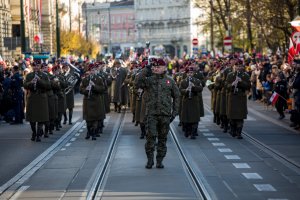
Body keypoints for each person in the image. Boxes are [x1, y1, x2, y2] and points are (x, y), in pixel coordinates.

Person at [138, 58, 180, 169]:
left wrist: (174, 112)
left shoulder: (170, 81)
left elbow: (177, 96)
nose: (156, 68)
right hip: (151, 114)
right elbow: (137, 82)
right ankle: (150, 160)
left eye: (158, 67)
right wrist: (145, 70)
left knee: (162, 139)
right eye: (154, 67)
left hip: (165, 114)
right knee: (150, 137)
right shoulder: (149, 80)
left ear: (164, 68)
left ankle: (159, 160)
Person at [23, 61, 51, 142]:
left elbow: (48, 86)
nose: (36, 67)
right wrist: (31, 83)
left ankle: (38, 134)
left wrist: (39, 80)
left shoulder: (44, 75)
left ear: (40, 66)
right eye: (34, 66)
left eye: (37, 66)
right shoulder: (29, 75)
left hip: (41, 98)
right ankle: (34, 133)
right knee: (32, 120)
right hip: (32, 98)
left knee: (41, 118)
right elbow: (25, 85)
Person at [225, 59, 251, 139]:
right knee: (232, 117)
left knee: (240, 117)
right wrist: (232, 84)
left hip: (241, 98)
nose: (239, 68)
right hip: (232, 97)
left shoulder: (245, 75)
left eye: (240, 66)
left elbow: (248, 86)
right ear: (234, 66)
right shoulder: (230, 75)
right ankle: (233, 130)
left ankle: (239, 133)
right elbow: (226, 86)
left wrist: (241, 82)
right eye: (237, 66)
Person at [80, 64, 105, 140]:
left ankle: (94, 133)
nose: (92, 71)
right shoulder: (85, 79)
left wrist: (94, 86)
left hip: (96, 100)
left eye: (93, 70)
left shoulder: (99, 79)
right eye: (91, 70)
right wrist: (86, 89)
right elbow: (80, 90)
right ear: (89, 71)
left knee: (95, 119)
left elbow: (102, 89)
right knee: (88, 120)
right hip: (87, 101)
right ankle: (89, 131)